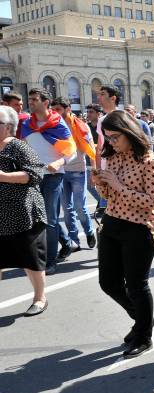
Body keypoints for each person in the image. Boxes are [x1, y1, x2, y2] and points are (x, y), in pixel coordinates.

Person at [91, 110, 154, 358]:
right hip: (112, 223)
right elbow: (108, 197)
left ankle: (144, 336)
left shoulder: (149, 160)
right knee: (108, 282)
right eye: (107, 138)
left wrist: (119, 187)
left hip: (140, 227)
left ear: (128, 132)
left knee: (136, 285)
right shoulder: (113, 158)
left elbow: (152, 202)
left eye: (114, 137)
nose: (111, 143)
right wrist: (101, 183)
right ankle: (143, 319)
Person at [0, 105, 49, 316]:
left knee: (31, 260)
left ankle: (40, 298)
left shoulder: (18, 147)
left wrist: (4, 176)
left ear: (8, 126)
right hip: (1, 216)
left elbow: (37, 174)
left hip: (23, 214)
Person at [22, 88, 77, 275]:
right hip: (33, 176)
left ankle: (50, 261)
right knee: (38, 218)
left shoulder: (57, 123)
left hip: (54, 176)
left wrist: (59, 161)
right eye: (30, 99)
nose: (31, 102)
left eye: (35, 99)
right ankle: (66, 243)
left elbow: (72, 150)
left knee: (50, 219)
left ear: (45, 103)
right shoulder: (27, 124)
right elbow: (23, 147)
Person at [51, 97, 97, 256]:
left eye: (58, 109)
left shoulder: (81, 126)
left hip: (79, 171)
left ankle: (89, 231)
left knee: (80, 207)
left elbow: (91, 150)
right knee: (67, 209)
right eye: (54, 109)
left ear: (68, 109)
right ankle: (74, 241)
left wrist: (94, 171)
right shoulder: (53, 126)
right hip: (61, 172)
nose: (55, 112)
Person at [85, 103, 104, 206]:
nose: (88, 114)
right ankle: (102, 202)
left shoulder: (103, 126)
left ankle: (103, 204)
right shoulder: (85, 127)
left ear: (98, 114)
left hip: (103, 159)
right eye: (87, 112)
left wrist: (96, 146)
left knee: (103, 183)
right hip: (90, 159)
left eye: (91, 112)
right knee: (90, 185)